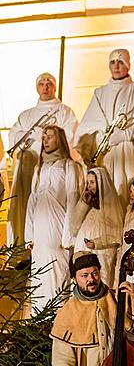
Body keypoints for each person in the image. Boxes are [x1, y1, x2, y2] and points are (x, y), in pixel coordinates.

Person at [75, 48, 134, 208]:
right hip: (107, 155)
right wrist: (104, 133)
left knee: (131, 195)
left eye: (120, 62)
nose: (116, 66)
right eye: (112, 62)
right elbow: (87, 126)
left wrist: (125, 135)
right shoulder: (100, 93)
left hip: (132, 156)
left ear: (128, 65)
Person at [7, 72, 77, 245]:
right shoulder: (26, 114)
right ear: (36, 87)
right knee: (24, 207)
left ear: (54, 87)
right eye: (41, 83)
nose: (45, 87)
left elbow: (69, 136)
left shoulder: (64, 112)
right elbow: (14, 134)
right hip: (27, 166)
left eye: (49, 84)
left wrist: (42, 137)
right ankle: (21, 248)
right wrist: (30, 135)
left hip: (51, 168)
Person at [25, 125, 82, 311]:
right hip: (40, 229)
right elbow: (32, 200)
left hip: (58, 228)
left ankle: (56, 318)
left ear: (59, 139)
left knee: (57, 272)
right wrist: (29, 235)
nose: (45, 141)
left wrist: (68, 236)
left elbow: (73, 199)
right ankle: (38, 319)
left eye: (50, 137)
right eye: (44, 137)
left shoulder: (69, 166)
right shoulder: (39, 168)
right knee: (39, 274)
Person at [72, 166, 124, 288]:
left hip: (101, 256)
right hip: (83, 254)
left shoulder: (111, 207)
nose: (89, 186)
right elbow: (74, 226)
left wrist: (96, 243)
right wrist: (83, 204)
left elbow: (116, 236)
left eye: (92, 182)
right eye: (87, 182)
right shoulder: (89, 207)